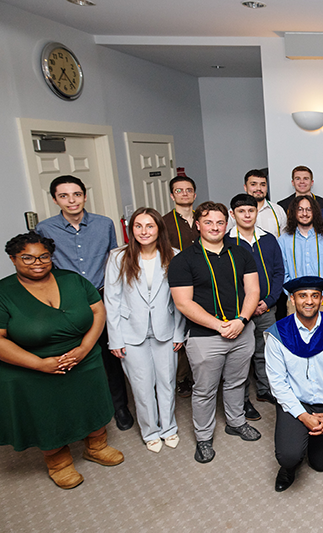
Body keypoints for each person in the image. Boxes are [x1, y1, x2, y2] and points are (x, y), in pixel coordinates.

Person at [0, 232, 123, 489]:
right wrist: (39, 364)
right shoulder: (2, 292)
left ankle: (96, 446)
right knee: (48, 415)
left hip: (83, 357)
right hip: (33, 366)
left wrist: (85, 347)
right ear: (13, 259)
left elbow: (98, 309)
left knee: (92, 403)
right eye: (27, 258)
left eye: (43, 256)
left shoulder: (72, 280)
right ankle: (59, 462)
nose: (38, 262)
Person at [35, 175, 133, 432]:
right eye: (64, 196)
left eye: (76, 194)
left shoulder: (104, 224)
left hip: (102, 296)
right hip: (68, 300)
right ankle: (85, 410)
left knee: (111, 354)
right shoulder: (45, 229)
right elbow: (45, 266)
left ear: (84, 196)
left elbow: (114, 260)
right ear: (55, 199)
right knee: (77, 354)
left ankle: (119, 406)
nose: (71, 200)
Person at [169, 201, 262, 464]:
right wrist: (219, 325)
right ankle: (204, 437)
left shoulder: (241, 253)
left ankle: (235, 422)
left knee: (237, 382)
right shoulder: (183, 260)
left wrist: (242, 320)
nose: (215, 227)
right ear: (197, 225)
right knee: (205, 390)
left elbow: (253, 290)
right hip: (205, 337)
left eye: (220, 222)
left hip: (241, 330)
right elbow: (183, 302)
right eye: (208, 222)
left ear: (227, 223)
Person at [104, 208, 185, 453]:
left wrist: (180, 332)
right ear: (131, 230)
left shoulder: (174, 255)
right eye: (138, 226)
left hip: (166, 330)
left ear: (159, 228)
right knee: (141, 386)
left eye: (149, 226)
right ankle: (150, 432)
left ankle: (168, 428)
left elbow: (180, 300)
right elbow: (112, 300)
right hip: (131, 333)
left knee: (167, 382)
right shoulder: (118, 257)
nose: (144, 231)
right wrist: (114, 339)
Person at [264, 276, 323, 492]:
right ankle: (288, 466)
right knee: (289, 455)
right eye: (302, 295)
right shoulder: (278, 335)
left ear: (322, 300)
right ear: (292, 300)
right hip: (295, 403)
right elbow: (278, 383)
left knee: (322, 464)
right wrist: (303, 417)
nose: (309, 301)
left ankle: (314, 436)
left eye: (315, 296)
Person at [224, 194, 285, 421]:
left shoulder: (268, 239)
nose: (247, 215)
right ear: (233, 214)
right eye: (241, 211)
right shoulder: (227, 241)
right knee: (241, 356)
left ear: (256, 212)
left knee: (264, 351)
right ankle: (243, 400)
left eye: (251, 210)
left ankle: (264, 389)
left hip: (267, 308)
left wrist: (268, 301)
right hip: (239, 313)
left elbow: (279, 272)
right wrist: (246, 308)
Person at [161, 172, 200, 399]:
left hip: (204, 282)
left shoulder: (203, 218)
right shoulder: (164, 223)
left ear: (194, 194)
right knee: (179, 330)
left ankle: (200, 374)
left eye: (188, 190)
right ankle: (182, 377)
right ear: (172, 195)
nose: (184, 194)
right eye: (179, 190)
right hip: (178, 283)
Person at [278, 194, 323, 316]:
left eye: (309, 209)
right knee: (296, 334)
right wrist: (293, 294)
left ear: (315, 212)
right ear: (294, 212)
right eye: (300, 209)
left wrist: (322, 294)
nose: (305, 213)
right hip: (295, 300)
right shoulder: (283, 240)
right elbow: (282, 272)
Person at [234, 169, 288, 238]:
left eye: (263, 185)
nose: (259, 188)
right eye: (253, 184)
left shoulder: (278, 210)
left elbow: (284, 239)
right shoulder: (235, 211)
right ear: (245, 187)